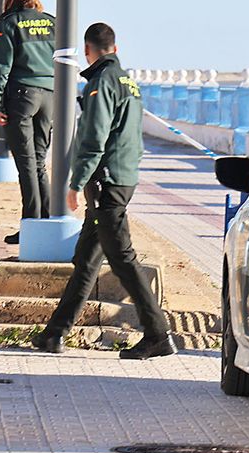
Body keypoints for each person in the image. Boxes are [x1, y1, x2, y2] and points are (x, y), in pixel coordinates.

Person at [34, 22, 173, 359]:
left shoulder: (101, 83)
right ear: (115, 46)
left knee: (122, 260)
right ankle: (54, 334)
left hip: (106, 182)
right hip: (123, 176)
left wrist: (76, 182)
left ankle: (158, 334)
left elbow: (95, 137)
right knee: (86, 260)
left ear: (88, 50)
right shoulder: (129, 82)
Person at [0, 0, 55, 244]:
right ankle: (45, 220)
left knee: (25, 164)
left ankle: (31, 226)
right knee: (38, 162)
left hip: (22, 96)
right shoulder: (52, 22)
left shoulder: (9, 23)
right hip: (50, 96)